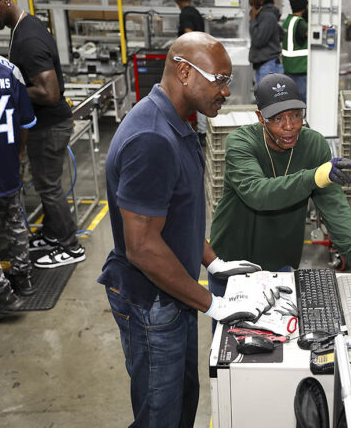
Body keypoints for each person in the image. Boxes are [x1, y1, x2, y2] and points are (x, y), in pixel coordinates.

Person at [99, 32, 275, 427]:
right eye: (221, 79)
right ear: (184, 72)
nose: (226, 91)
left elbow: (177, 216)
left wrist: (214, 264)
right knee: (160, 416)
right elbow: (142, 247)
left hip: (172, 296)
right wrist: (212, 304)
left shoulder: (175, 122)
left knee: (182, 405)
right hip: (151, 304)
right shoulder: (151, 139)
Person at [208, 73, 351, 298]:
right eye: (278, 118)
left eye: (296, 115)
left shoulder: (313, 145)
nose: (289, 126)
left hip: (278, 261)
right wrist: (313, 178)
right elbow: (258, 193)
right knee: (231, 331)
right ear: (261, 118)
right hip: (232, 263)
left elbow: (333, 204)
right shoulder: (240, 143)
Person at [0, 0, 85, 269]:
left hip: (50, 127)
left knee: (49, 188)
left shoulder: (28, 39)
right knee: (44, 185)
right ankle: (53, 234)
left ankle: (71, 246)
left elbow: (49, 93)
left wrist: (7, 90)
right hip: (45, 126)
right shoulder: (25, 26)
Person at [0, 16, 37, 326]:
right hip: (6, 162)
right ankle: (23, 277)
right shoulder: (8, 70)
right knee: (14, 219)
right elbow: (26, 122)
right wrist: (17, 155)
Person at [171, 0, 208, 147]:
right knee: (198, 95)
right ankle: (201, 131)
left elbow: (189, 34)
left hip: (192, 61)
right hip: (200, 58)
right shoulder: (195, 12)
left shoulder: (185, 14)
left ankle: (199, 133)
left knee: (190, 95)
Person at [248, 0, 284, 85]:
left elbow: (258, 40)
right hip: (264, 65)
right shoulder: (264, 15)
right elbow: (280, 35)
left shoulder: (267, 16)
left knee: (268, 100)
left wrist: (253, 20)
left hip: (268, 66)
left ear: (262, 0)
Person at [281, 0, 308, 102]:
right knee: (302, 101)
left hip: (288, 67)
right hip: (300, 68)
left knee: (291, 100)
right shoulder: (300, 23)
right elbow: (312, 36)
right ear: (304, 7)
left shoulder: (288, 21)